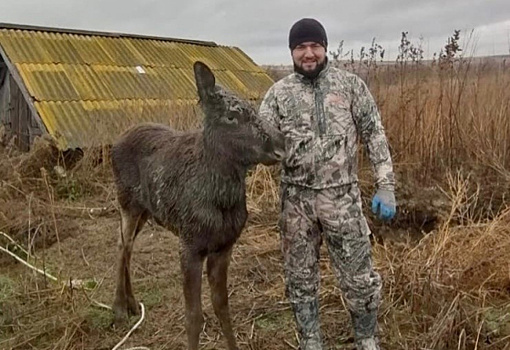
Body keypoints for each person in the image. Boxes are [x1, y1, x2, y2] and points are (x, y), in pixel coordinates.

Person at [259, 18, 396, 350]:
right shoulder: (278, 94)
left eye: (314, 46)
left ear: (325, 47)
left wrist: (385, 184)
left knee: (360, 279)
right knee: (300, 280)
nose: (308, 53)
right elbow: (258, 142)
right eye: (301, 47)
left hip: (343, 200)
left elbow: (374, 134)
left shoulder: (350, 86)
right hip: (296, 203)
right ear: (292, 51)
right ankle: (310, 341)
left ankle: (365, 338)